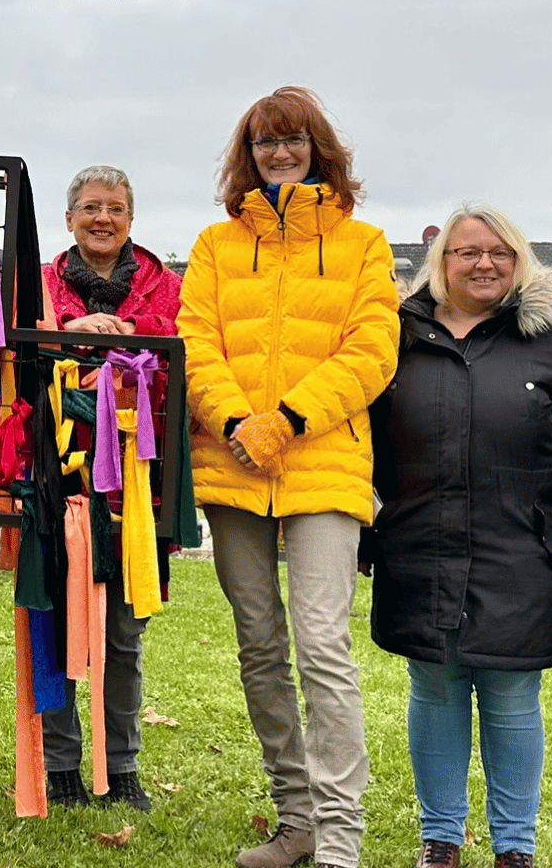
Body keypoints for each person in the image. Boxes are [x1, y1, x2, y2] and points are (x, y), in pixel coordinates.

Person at [176, 86, 399, 868]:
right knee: (260, 644)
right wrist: (240, 423)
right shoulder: (213, 245)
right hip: (232, 466)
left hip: (325, 467)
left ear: (318, 149)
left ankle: (340, 839)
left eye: (293, 140)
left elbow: (372, 352)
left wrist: (288, 421)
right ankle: (295, 818)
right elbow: (194, 343)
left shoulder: (365, 244)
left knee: (322, 645)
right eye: (266, 142)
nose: (279, 153)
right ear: (249, 152)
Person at [366, 205, 552, 868]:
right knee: (436, 687)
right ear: (440, 262)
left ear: (519, 261)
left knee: (511, 696)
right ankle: (441, 840)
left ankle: (514, 848)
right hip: (418, 545)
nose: (484, 264)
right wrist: (364, 529)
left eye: (499, 253)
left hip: (523, 549)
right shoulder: (395, 335)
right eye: (468, 253)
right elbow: (359, 440)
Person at [36, 163, 182, 812]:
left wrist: (133, 337)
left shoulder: (167, 288)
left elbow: (191, 353)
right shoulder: (35, 286)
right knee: (58, 623)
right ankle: (62, 763)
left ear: (130, 220)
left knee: (124, 634)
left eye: (115, 209)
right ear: (69, 219)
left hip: (137, 489)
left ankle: (121, 766)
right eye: (90, 208)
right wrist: (66, 336)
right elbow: (9, 359)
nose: (102, 219)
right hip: (56, 477)